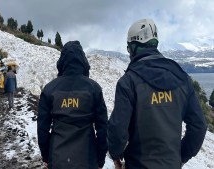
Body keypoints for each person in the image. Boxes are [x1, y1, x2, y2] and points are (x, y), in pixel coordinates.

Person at [108, 18, 207, 169]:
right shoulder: (182, 78)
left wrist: (115, 155)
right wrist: (181, 156)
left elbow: (117, 130)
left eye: (129, 49)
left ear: (134, 46)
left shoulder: (128, 82)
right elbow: (199, 126)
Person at [37, 41, 108, 169]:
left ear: (62, 61)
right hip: (87, 160)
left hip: (58, 159)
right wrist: (100, 159)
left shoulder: (49, 89)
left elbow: (42, 129)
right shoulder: (94, 89)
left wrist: (47, 157)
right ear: (83, 61)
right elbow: (103, 129)